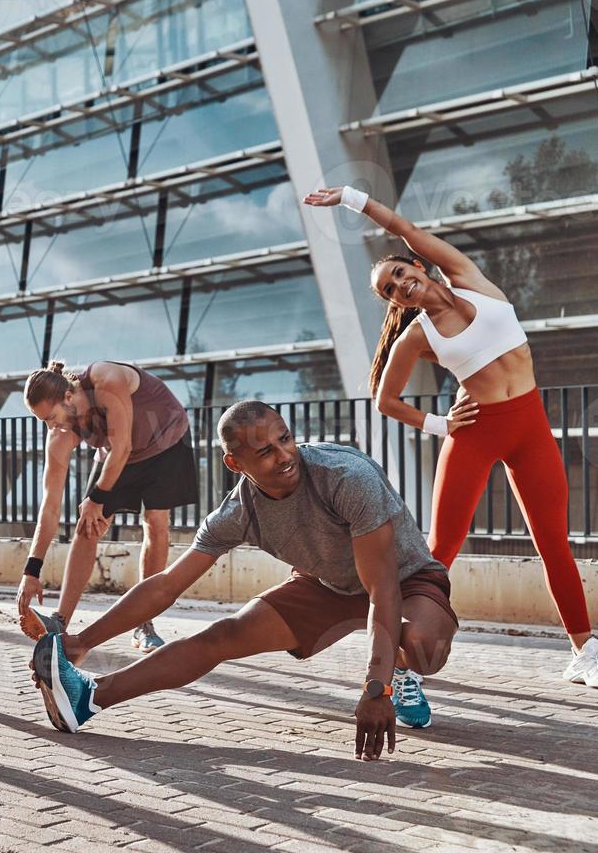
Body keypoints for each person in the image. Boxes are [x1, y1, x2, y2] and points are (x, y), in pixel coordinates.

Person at [31, 401, 460, 760]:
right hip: (325, 585)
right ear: (235, 463)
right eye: (265, 451)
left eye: (285, 439)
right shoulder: (238, 513)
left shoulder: (347, 478)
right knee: (222, 635)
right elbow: (166, 585)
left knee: (421, 644)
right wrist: (82, 641)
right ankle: (87, 698)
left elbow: (382, 589)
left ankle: (401, 669)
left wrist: (377, 685)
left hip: (404, 580)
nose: (284, 455)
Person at [304, 185, 594, 685]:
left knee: (554, 544)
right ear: (396, 302)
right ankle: (404, 655)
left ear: (417, 267)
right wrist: (439, 425)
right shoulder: (419, 335)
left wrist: (352, 198)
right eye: (391, 290)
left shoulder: (466, 278)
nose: (400, 286)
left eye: (400, 273)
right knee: (441, 549)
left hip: (530, 427)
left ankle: (584, 650)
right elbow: (385, 400)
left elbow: (406, 229)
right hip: (476, 434)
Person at [16, 360, 198, 654]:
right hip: (117, 453)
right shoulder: (60, 434)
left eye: (51, 417)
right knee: (87, 526)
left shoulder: (105, 379)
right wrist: (31, 571)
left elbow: (123, 446)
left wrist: (96, 500)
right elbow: (49, 507)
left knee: (155, 521)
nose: (51, 426)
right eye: (43, 421)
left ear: (68, 397)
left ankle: (144, 623)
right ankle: (60, 621)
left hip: (165, 441)